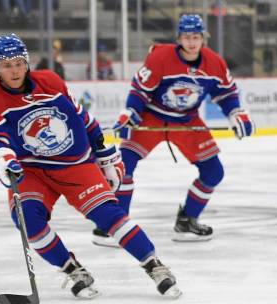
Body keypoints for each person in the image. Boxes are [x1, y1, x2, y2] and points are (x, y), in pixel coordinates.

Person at [0, 33, 181, 299]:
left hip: (74, 163)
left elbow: (83, 118)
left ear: (26, 63)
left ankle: (155, 266)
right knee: (28, 222)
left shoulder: (50, 81)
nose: (13, 70)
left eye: (17, 63)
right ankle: (73, 271)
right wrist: (3, 158)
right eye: (6, 64)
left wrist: (104, 153)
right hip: (30, 169)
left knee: (109, 215)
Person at [92, 14, 255, 245]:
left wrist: (236, 113)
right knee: (122, 167)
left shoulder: (215, 62)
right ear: (178, 38)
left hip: (187, 121)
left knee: (213, 172)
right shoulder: (160, 57)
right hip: (151, 117)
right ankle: (114, 225)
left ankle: (187, 221)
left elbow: (226, 93)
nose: (191, 41)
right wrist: (131, 112)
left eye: (196, 36)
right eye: (186, 36)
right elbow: (140, 90)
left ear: (203, 38)